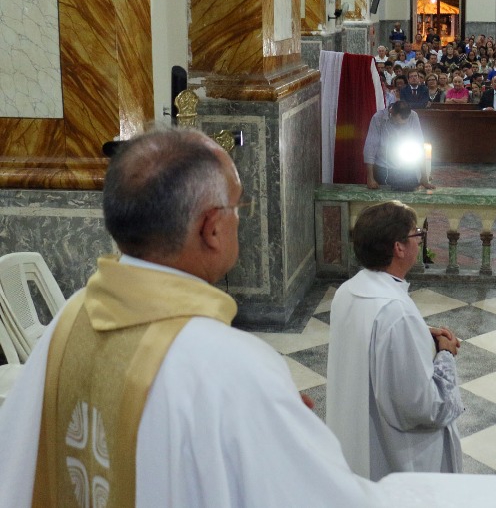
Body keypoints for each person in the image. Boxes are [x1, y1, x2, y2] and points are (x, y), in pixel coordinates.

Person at [0, 129, 372, 507]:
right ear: (211, 228)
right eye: (238, 207)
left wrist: (268, 415)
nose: (238, 220)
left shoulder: (70, 318)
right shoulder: (234, 365)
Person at [327, 201, 464, 481]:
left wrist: (418, 333)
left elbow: (367, 338)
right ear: (398, 248)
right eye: (416, 233)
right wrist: (445, 354)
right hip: (399, 461)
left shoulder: (348, 290)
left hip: (354, 442)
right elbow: (426, 407)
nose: (419, 239)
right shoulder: (396, 313)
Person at [364, 100, 434, 191]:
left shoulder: (413, 116)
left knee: (409, 199)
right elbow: (370, 148)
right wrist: (370, 178)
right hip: (383, 169)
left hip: (407, 168)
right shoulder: (378, 118)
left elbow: (419, 145)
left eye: (403, 125)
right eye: (396, 123)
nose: (399, 127)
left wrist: (424, 176)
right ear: (391, 112)